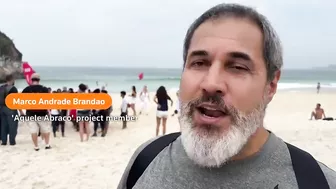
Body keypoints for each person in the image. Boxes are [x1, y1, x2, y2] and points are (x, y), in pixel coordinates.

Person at [117, 4, 336, 189]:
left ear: (271, 85)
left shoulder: (316, 181)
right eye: (199, 63)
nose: (211, 84)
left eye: (238, 67)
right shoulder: (145, 160)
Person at [22, 73, 51, 151]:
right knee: (45, 129)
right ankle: (47, 144)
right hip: (42, 113)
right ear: (39, 80)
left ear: (31, 80)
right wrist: (48, 111)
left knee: (33, 130)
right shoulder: (44, 89)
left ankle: (36, 146)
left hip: (30, 113)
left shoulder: (26, 89)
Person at [0, 74, 24, 146]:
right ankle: (12, 141)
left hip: (2, 109)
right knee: (12, 125)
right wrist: (21, 111)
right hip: (10, 109)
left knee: (3, 125)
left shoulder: (1, 88)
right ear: (12, 80)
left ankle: (3, 141)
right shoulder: (13, 89)